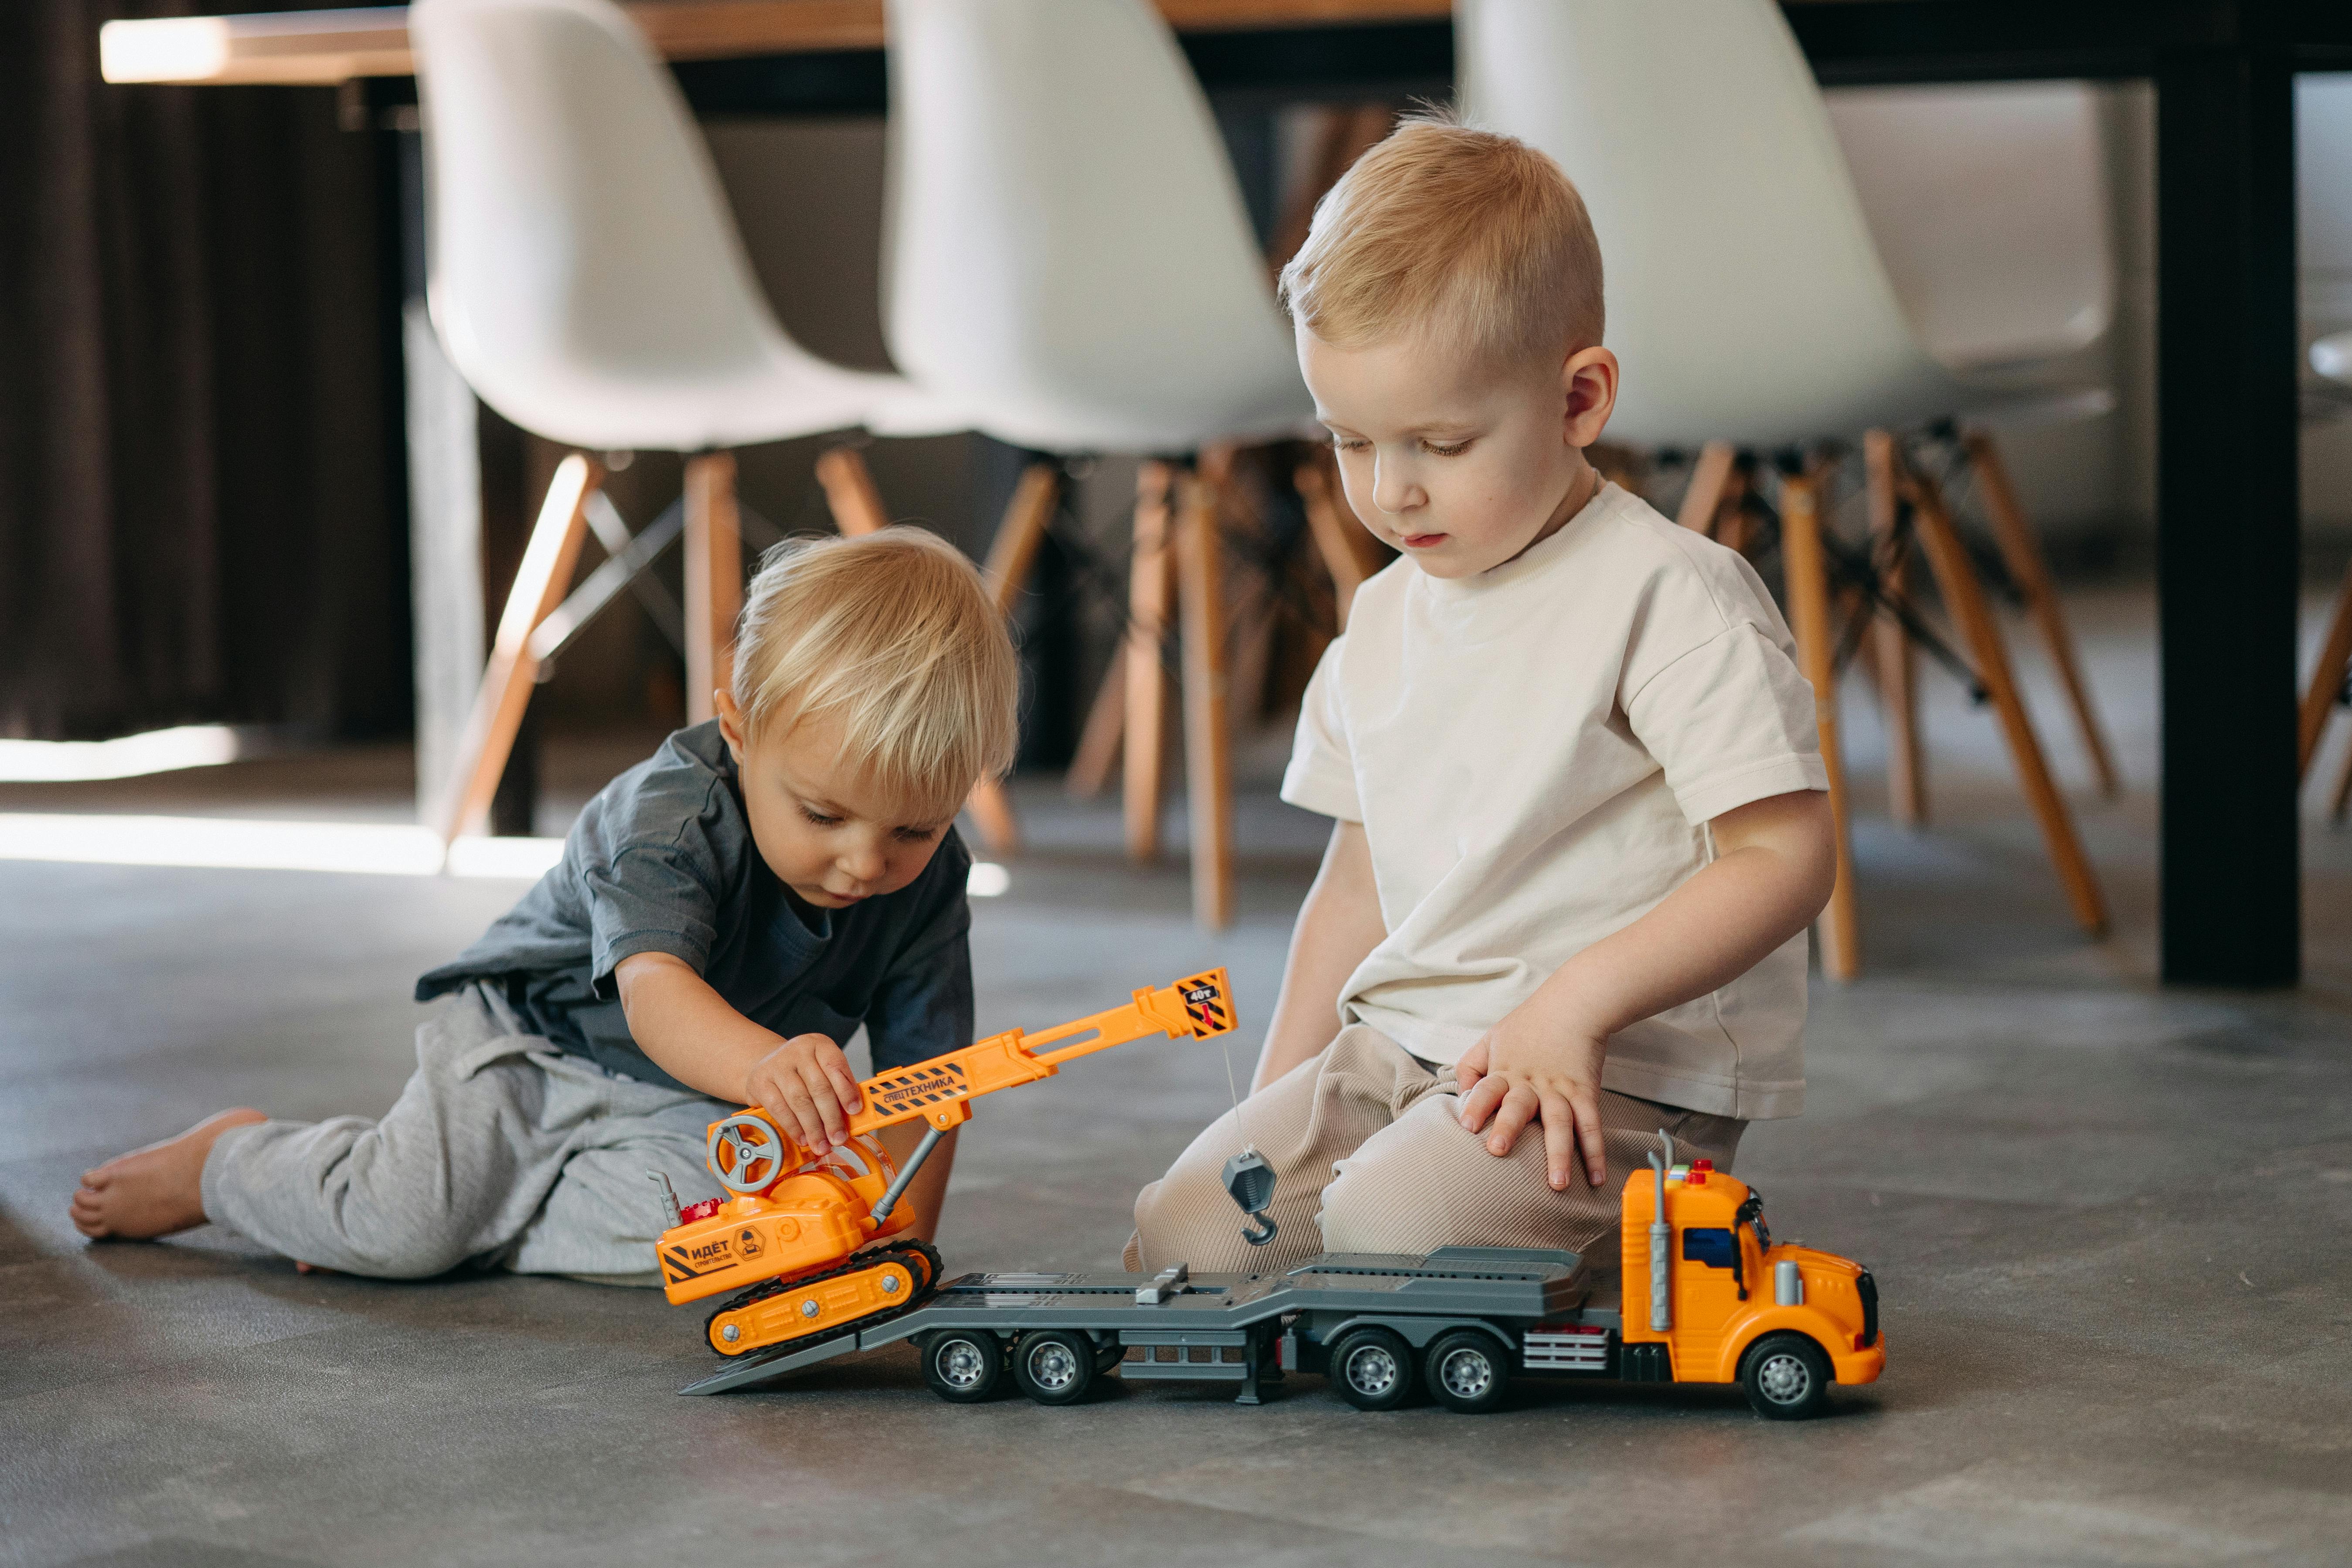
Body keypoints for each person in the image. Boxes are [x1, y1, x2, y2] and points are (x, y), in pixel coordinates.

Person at [1129, 116, 1837, 1286]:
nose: (1389, 488)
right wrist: (1276, 1110)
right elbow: (1352, 886)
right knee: (1192, 1234)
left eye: (1441, 441)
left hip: (1605, 1072)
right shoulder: (1380, 621)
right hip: (1396, 1050)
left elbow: (1784, 854)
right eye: (1349, 440)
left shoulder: (1670, 597)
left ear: (1577, 400)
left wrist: (1573, 1005)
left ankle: (1619, 1221)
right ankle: (1383, 1197)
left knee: (1388, 1233)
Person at [71, 527, 1019, 1284]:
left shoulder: (927, 886)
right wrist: (769, 1063)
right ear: (738, 728)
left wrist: (899, 1245)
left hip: (689, 1093)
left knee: (754, 1235)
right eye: (822, 812)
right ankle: (234, 1161)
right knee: (405, 1230)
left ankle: (461, 1211)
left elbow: (931, 1086)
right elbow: (656, 994)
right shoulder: (668, 817)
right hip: (526, 1043)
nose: (866, 860)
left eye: (914, 829)